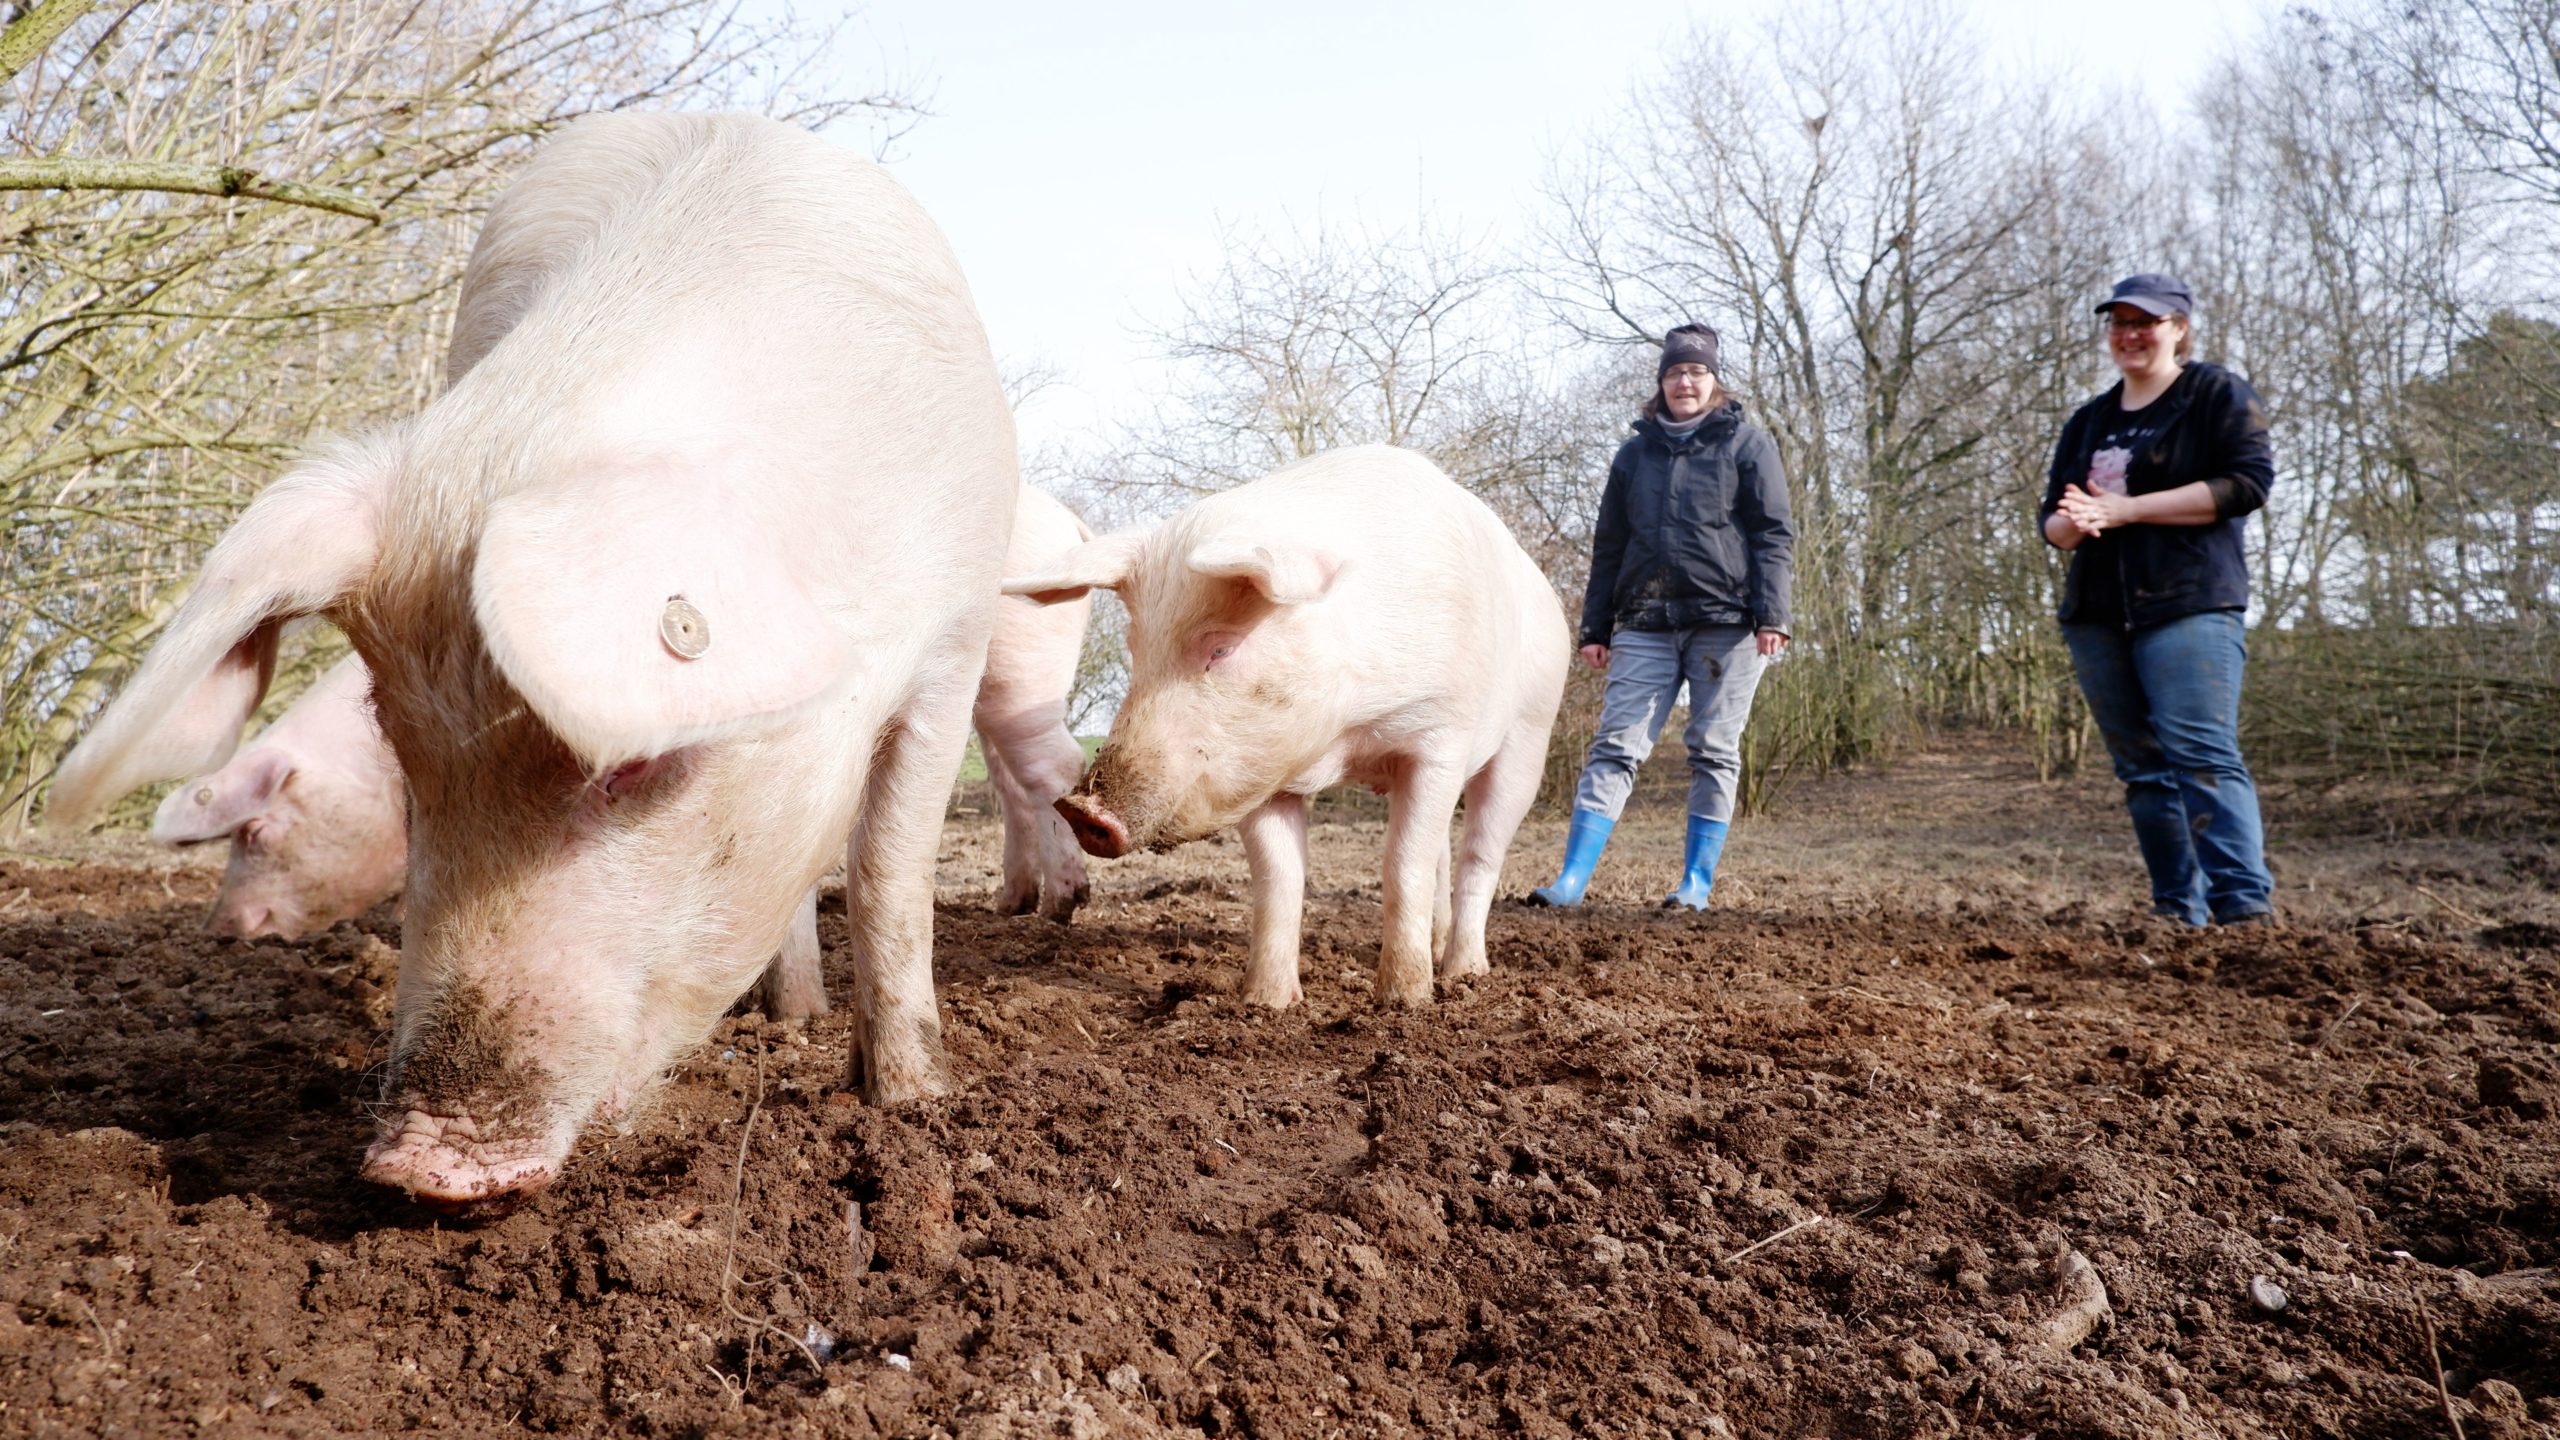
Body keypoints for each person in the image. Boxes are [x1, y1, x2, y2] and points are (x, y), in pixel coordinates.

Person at [1528, 322, 1793, 910]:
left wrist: (1773, 615)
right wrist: (1595, 628)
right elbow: (1609, 544)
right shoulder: (1634, 454)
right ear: (1661, 381)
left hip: (1726, 624)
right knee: (1615, 746)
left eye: (1697, 371)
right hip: (1644, 619)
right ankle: (1571, 879)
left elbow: (1774, 535)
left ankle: (1696, 883)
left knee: (1714, 749)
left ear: (1714, 379)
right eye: (1675, 372)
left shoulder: (1748, 445)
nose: (1685, 381)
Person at [2042, 272, 2277, 927]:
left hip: (2189, 603)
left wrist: (2128, 509)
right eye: (2119, 323)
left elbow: (2246, 485)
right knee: (2143, 771)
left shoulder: (2213, 394)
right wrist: (2075, 523)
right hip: (2097, 612)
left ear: (2178, 327)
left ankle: (2242, 909)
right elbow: (2055, 523)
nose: (2130, 335)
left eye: (2146, 322)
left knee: (2201, 756)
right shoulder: (2089, 420)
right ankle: (2176, 910)